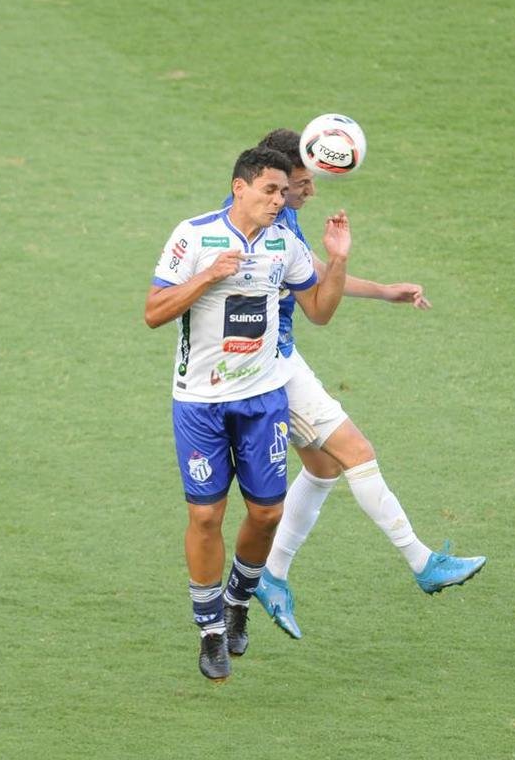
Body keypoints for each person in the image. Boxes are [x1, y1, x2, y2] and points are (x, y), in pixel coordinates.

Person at [238, 129, 486, 642]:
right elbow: (317, 300)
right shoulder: (268, 223)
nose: (311, 191)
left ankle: (272, 576)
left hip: (276, 356)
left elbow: (309, 276)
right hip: (263, 366)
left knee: (323, 465)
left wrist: (385, 292)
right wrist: (348, 264)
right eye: (304, 183)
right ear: (276, 183)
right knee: (355, 452)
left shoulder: (269, 213)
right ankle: (422, 563)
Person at [144, 146, 352, 681]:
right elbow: (153, 312)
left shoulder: (285, 243)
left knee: (266, 514)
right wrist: (209, 276)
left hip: (263, 400)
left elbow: (320, 312)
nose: (280, 201)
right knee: (206, 515)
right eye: (270, 191)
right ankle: (211, 628)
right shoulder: (193, 235)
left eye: (284, 193)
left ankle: (240, 596)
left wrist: (338, 260)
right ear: (240, 188)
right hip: (199, 402)